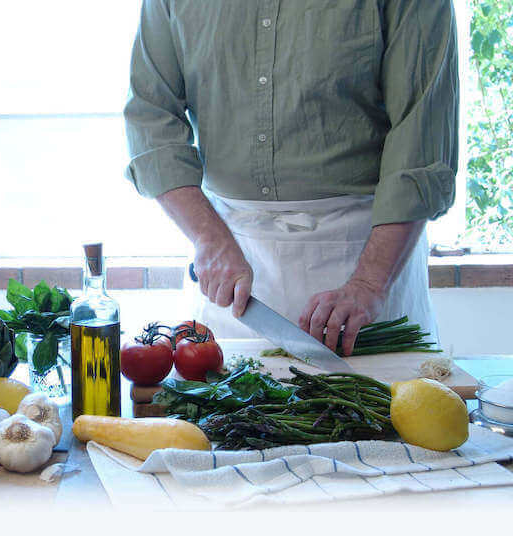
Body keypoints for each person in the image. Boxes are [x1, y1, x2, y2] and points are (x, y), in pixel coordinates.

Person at [123, 0, 458, 355]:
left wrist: (369, 283)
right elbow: (150, 119)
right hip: (230, 271)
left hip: (367, 271)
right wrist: (209, 239)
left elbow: (422, 140)